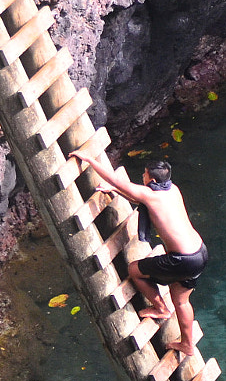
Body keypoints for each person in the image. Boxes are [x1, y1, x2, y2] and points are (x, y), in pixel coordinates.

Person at [71, 147, 207, 358]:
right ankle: (187, 344)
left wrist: (89, 159)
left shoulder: (149, 193)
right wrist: (115, 192)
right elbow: (141, 199)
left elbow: (117, 181)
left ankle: (160, 308)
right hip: (199, 253)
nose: (142, 176)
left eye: (144, 174)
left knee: (134, 269)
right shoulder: (172, 189)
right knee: (181, 301)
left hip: (182, 259)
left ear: (151, 179)